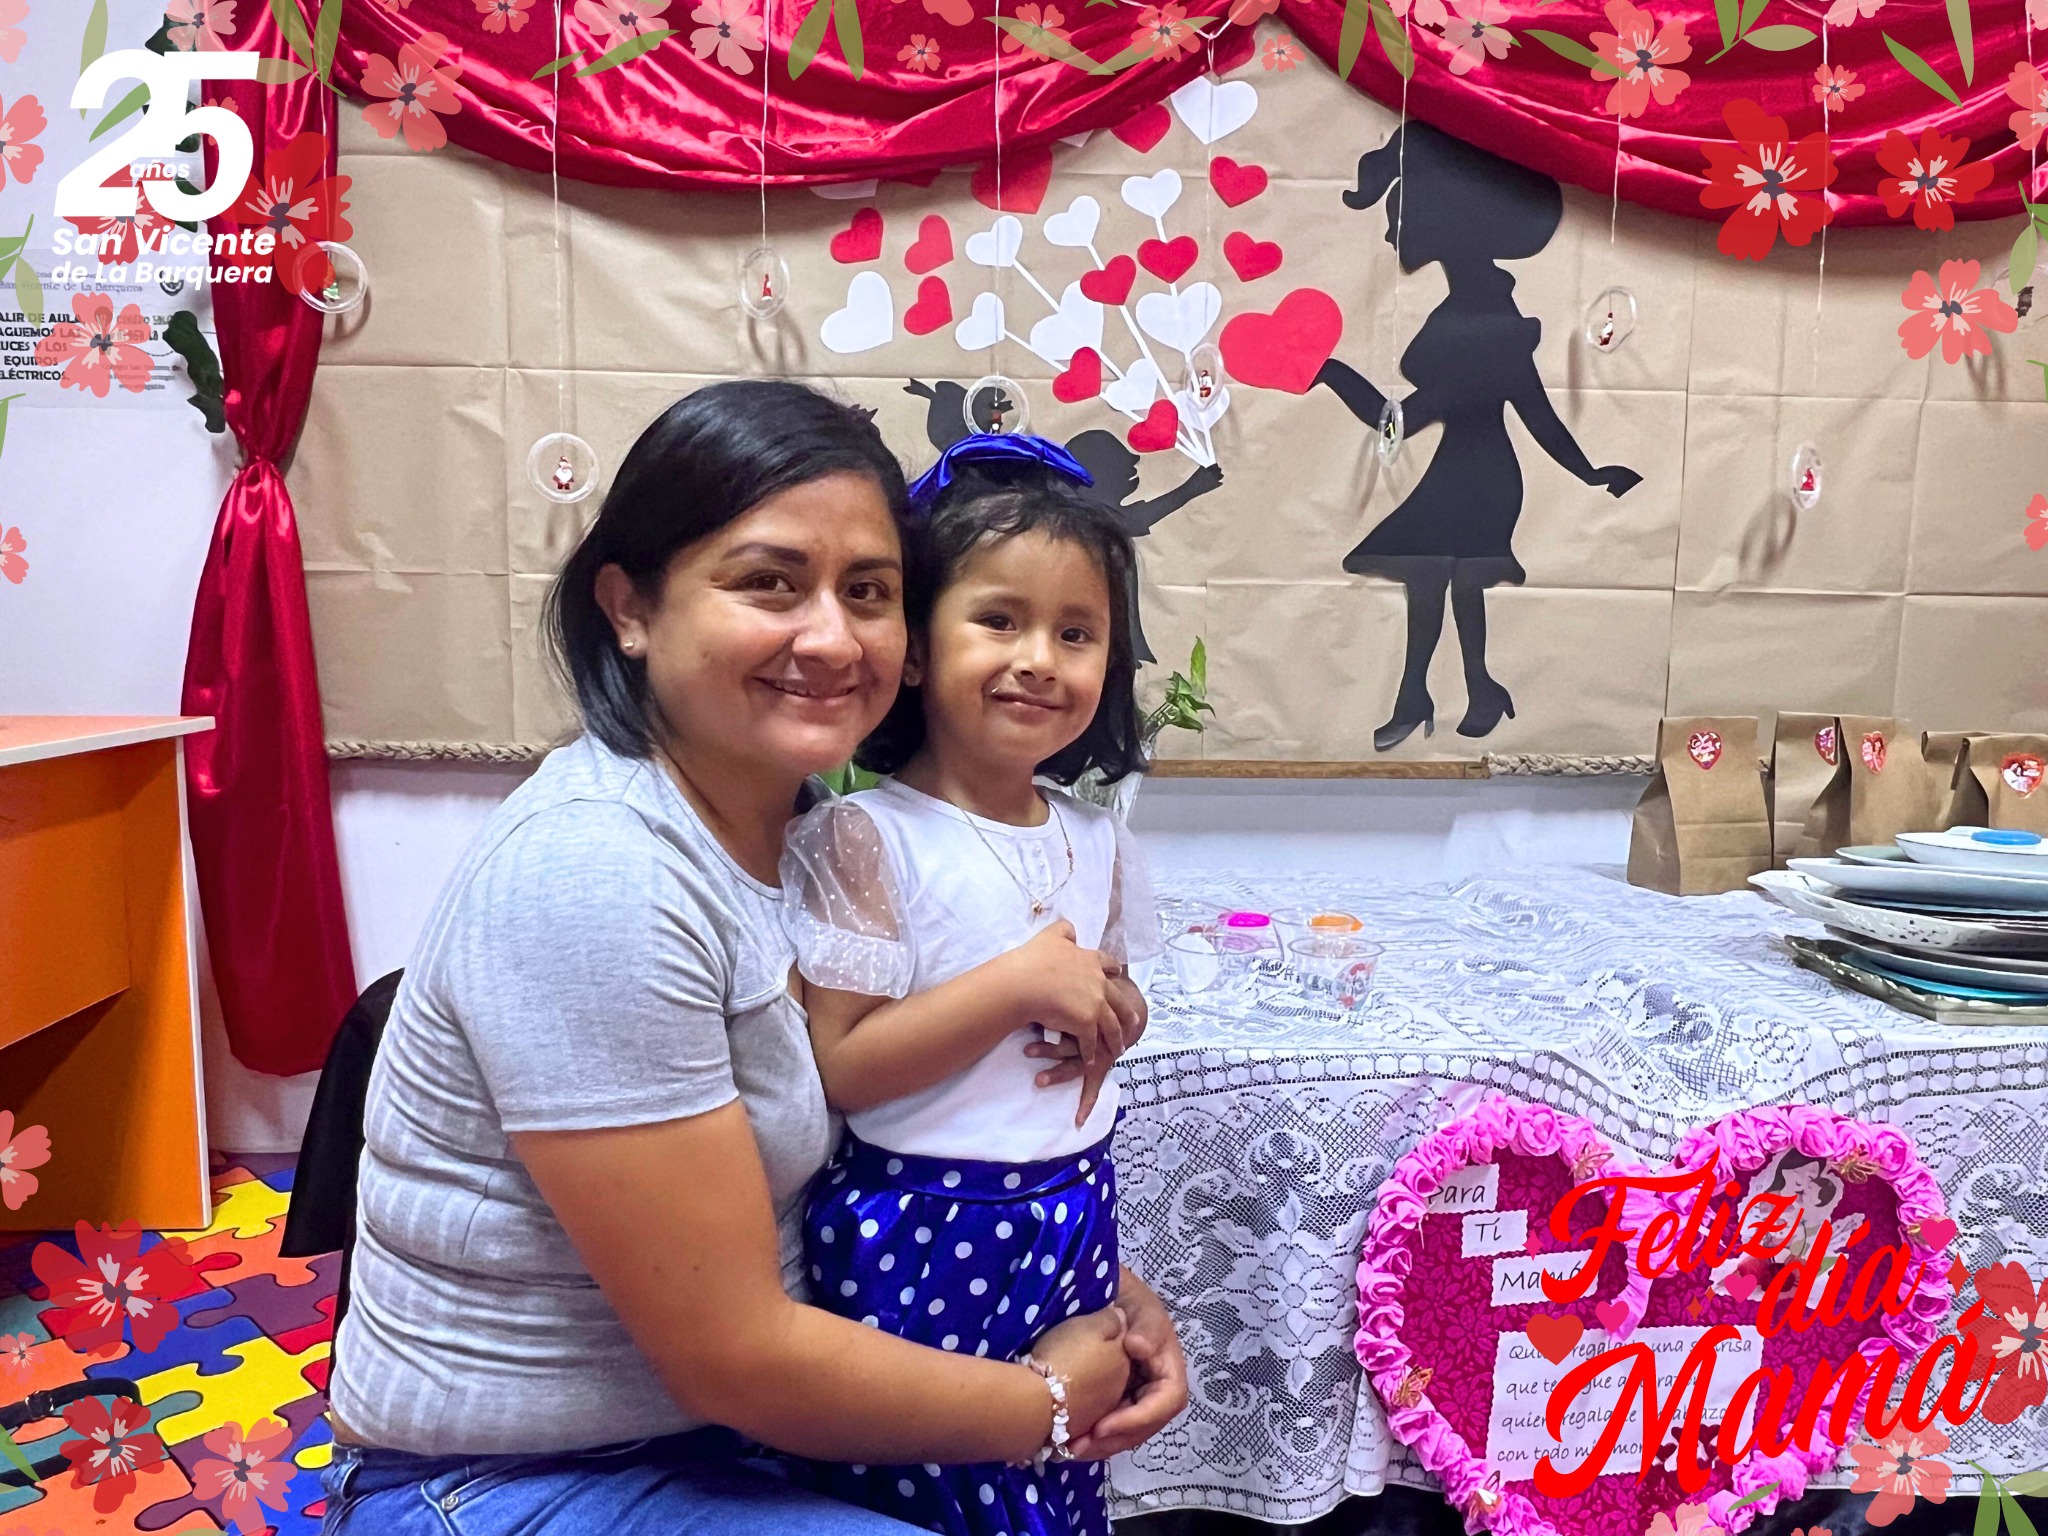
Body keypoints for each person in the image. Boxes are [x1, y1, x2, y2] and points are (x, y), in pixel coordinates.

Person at [318, 382, 1187, 1535]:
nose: (829, 638)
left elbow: (904, 1139)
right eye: (770, 583)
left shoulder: (813, 834)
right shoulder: (600, 871)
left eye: (867, 593)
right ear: (629, 608)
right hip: (523, 1475)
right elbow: (731, 1357)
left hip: (739, 1439)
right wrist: (1048, 1403)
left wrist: (1099, 1294)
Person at [780, 434, 1159, 1536]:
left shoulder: (1097, 836)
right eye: (998, 619)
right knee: (936, 1484)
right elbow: (843, 1067)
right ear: (911, 648)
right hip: (919, 1221)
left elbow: (1110, 993)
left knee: (1055, 1468)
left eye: (1076, 633)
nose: (1039, 659)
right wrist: (1015, 986)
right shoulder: (864, 835)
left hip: (1073, 1206)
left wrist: (1113, 1014)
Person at [1312, 123, 1642, 750]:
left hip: (1480, 476)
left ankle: (1432, 695)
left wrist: (1332, 374)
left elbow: (1405, 420)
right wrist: (1590, 472)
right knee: (1438, 578)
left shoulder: (1479, 320)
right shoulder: (1483, 310)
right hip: (1470, 469)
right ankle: (1462, 691)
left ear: (1438, 220)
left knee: (1441, 576)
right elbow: (1531, 413)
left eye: (1398, 215)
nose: (1390, 232)